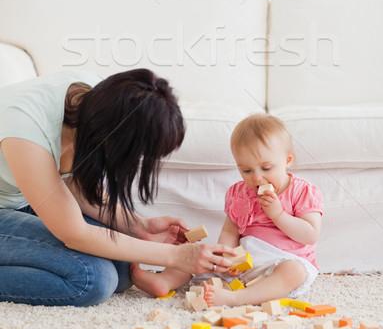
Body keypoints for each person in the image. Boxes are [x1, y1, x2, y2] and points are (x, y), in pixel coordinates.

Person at [0, 69, 236, 307]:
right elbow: (74, 234)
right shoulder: (24, 125)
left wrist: (139, 226)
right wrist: (177, 256)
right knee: (91, 279)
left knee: (124, 271)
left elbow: (63, 184)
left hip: (24, 200)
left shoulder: (100, 102)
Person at [130, 113, 323, 306]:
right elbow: (230, 230)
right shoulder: (240, 193)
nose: (256, 178)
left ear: (288, 160)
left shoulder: (303, 191)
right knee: (198, 254)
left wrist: (278, 214)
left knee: (293, 272)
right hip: (244, 259)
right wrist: (228, 256)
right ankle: (165, 281)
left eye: (266, 168)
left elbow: (310, 234)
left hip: (285, 261)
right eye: (246, 170)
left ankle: (236, 298)